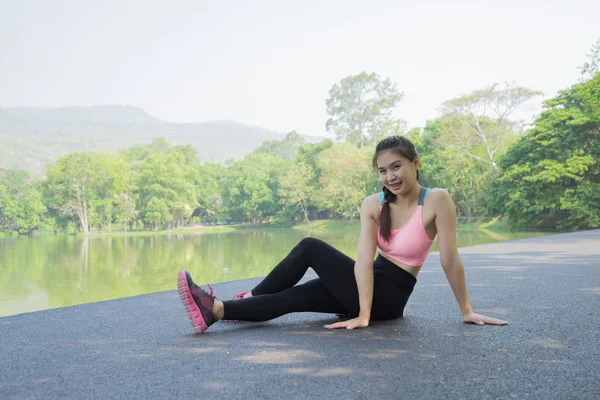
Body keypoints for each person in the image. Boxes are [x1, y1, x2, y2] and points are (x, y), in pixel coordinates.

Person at [177, 135, 508, 333]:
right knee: (296, 298)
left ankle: (248, 298)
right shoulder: (373, 204)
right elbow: (364, 261)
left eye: (396, 166)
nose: (390, 176)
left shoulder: (437, 200)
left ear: (415, 163)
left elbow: (450, 259)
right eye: (382, 170)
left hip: (391, 295)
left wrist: (466, 310)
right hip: (367, 282)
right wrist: (361, 311)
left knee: (310, 246)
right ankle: (217, 311)